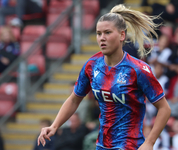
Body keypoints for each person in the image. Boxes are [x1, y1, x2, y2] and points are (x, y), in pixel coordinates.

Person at [38, 4, 171, 150]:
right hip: (102, 145)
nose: (102, 38)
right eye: (98, 33)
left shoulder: (138, 69)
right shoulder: (92, 65)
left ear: (122, 35)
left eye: (107, 32)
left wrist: (149, 143)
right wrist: (54, 126)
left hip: (130, 146)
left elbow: (164, 108)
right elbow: (74, 99)